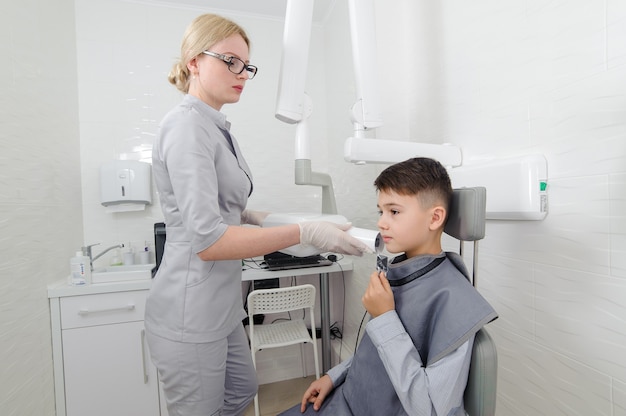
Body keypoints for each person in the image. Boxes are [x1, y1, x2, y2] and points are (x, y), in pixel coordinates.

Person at [144, 14, 370, 416]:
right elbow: (210, 241)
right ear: (194, 61)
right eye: (230, 61)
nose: (242, 74)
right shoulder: (185, 127)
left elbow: (222, 200)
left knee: (242, 390)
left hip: (223, 307)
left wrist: (260, 216)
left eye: (246, 66)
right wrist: (305, 231)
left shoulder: (216, 126)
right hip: (190, 312)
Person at [279, 157, 498, 416]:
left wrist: (384, 317)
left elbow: (428, 407)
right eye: (380, 211)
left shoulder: (455, 300)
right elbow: (377, 352)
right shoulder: (400, 272)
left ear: (435, 217)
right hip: (350, 397)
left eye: (394, 211)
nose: (382, 222)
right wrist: (334, 375)